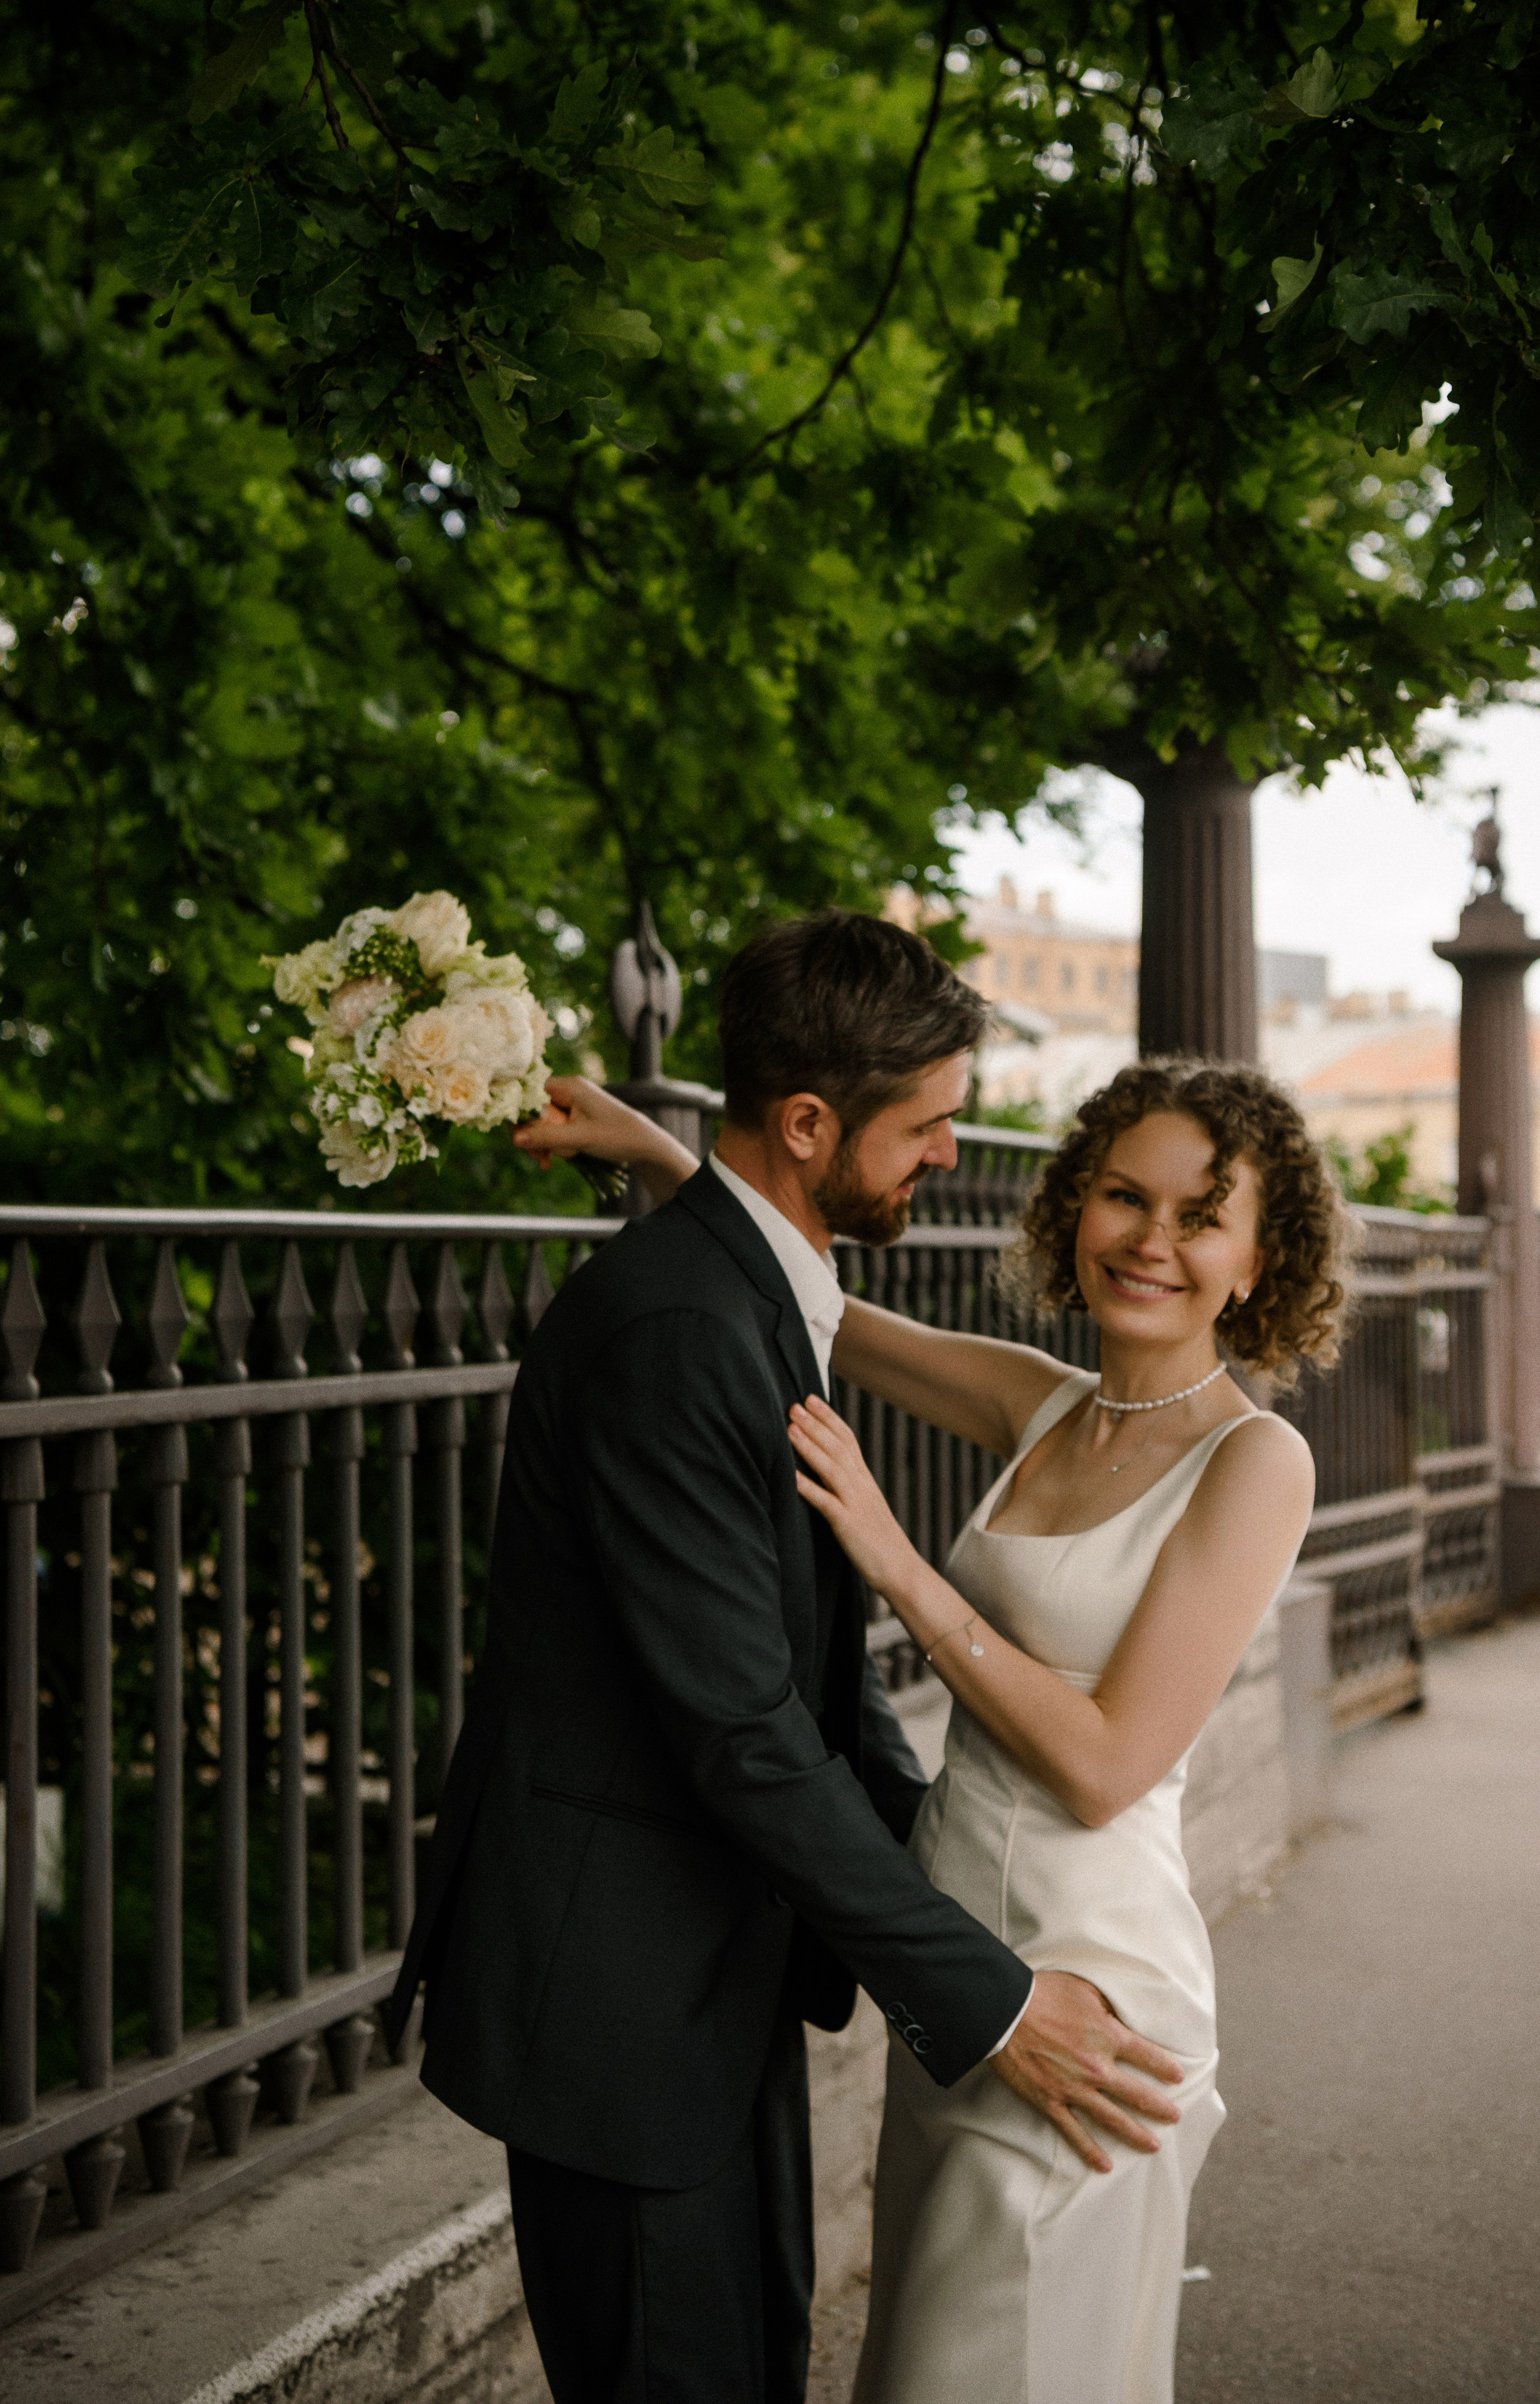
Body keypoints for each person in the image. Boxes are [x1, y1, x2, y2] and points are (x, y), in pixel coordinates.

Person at [387, 911, 1185, 2404]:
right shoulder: (683, 1325)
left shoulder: (759, 1285)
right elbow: (744, 1729)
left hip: (714, 1974)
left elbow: (812, 1680)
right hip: (619, 2011)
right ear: (809, 1124)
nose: (950, 1153)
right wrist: (993, 2003)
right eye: (928, 1125)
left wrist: (970, 1893)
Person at [527, 1040, 1346, 2404]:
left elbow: (1103, 1765)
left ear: (1260, 1262)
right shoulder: (1042, 1402)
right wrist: (664, 1156)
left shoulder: (1255, 1460)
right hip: (959, 1965)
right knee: (925, 2356)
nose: (1150, 1242)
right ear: (1071, 1205)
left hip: (1085, 1988)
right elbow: (816, 1304)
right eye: (1123, 1197)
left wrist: (897, 1566)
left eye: (1201, 1218)